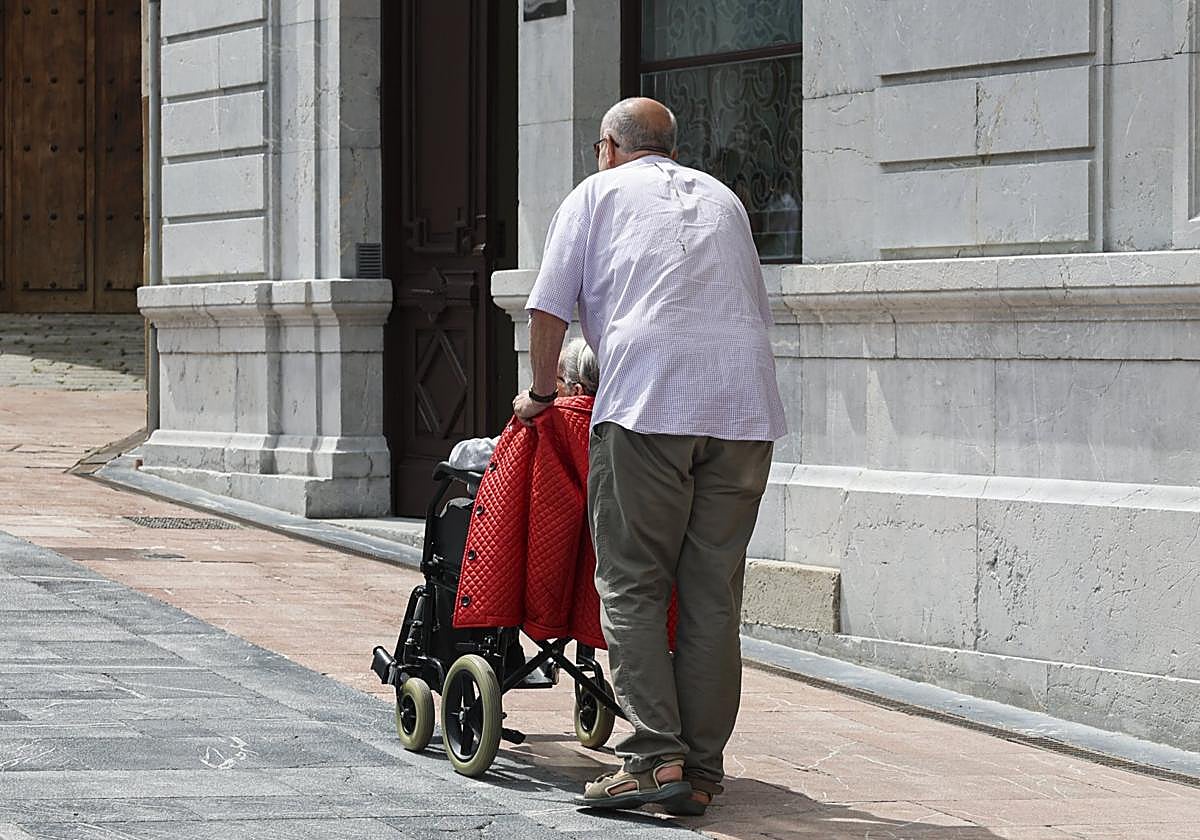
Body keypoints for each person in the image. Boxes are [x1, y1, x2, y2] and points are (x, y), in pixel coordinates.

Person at [513, 97, 786, 814]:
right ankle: (700, 770)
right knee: (711, 596)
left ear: (607, 147)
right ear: (670, 146)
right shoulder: (723, 198)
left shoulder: (595, 195)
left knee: (632, 585)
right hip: (744, 410)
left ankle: (654, 758)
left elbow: (548, 308)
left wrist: (541, 393)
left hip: (649, 405)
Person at [449, 339, 598, 471]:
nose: (536, 384)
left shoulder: (545, 426)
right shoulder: (606, 431)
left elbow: (459, 455)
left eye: (549, 378)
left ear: (576, 391)